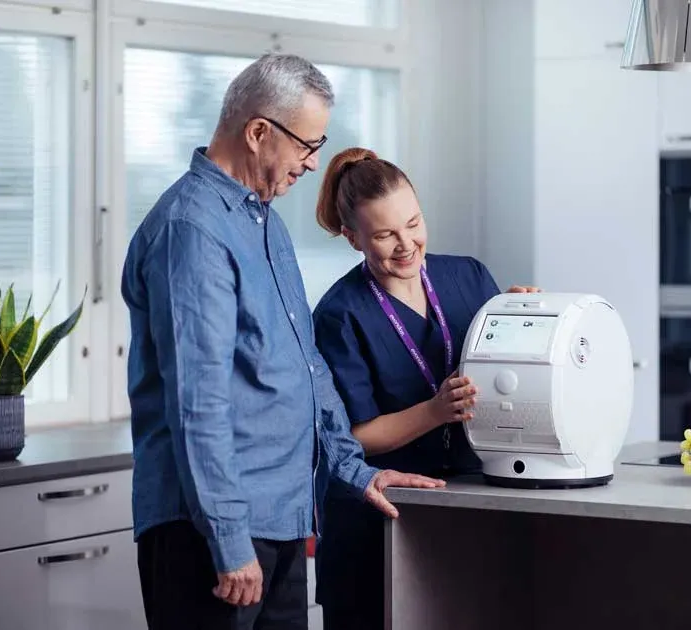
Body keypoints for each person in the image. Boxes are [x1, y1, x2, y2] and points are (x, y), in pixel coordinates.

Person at [121, 55, 445, 630]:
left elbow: (307, 368)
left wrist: (356, 470)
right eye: (306, 144)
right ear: (258, 132)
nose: (314, 161)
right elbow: (200, 403)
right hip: (215, 534)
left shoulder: (263, 222)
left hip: (283, 520)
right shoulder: (191, 231)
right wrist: (228, 540)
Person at [310, 147, 540, 629]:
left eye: (413, 223)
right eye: (385, 234)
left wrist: (528, 321)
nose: (407, 244)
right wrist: (435, 411)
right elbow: (352, 437)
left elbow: (507, 379)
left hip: (467, 505)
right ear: (353, 238)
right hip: (377, 519)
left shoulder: (469, 277)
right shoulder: (339, 314)